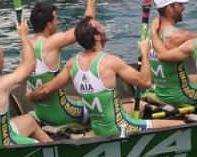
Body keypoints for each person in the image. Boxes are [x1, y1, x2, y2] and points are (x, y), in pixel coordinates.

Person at [28, 17, 185, 138]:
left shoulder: (72, 64)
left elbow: (47, 88)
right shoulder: (110, 62)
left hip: (98, 127)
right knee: (181, 123)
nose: (104, 28)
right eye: (100, 26)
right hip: (120, 128)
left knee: (140, 106)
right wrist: (145, 50)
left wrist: (31, 96)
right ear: (96, 37)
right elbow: (145, 82)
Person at [23, 0, 101, 128]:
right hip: (62, 114)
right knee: (102, 107)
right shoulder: (51, 43)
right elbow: (87, 26)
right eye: (56, 19)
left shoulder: (25, 45)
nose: (58, 21)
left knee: (75, 98)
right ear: (49, 25)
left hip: (40, 112)